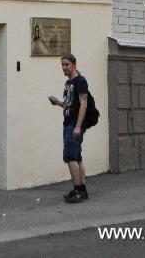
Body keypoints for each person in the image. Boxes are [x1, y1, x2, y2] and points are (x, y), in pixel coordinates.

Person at [49, 52, 89, 203]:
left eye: (66, 64)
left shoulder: (80, 81)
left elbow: (83, 104)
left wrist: (78, 126)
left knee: (70, 157)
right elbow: (70, 104)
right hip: (69, 123)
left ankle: (79, 190)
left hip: (74, 124)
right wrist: (58, 102)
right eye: (62, 65)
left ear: (74, 64)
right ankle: (81, 189)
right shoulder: (68, 83)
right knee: (77, 157)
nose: (64, 67)